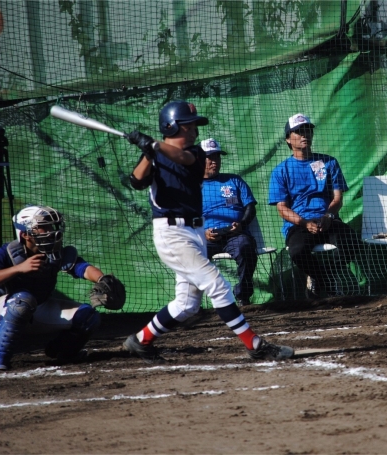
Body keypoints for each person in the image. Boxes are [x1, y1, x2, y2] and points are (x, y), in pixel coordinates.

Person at [125, 100, 293, 363]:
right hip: (172, 234)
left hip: (195, 232)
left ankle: (140, 341)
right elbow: (136, 181)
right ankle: (255, 346)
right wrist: (147, 152)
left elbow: (183, 159)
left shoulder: (196, 154)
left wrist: (154, 145)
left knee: (187, 304)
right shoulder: (156, 155)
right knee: (217, 285)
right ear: (171, 126)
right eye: (188, 125)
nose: (195, 130)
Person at [0, 205, 125, 370]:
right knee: (22, 301)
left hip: (38, 306)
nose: (51, 231)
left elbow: (82, 268)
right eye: (44, 227)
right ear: (26, 234)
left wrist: (102, 279)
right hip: (0, 307)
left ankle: (63, 352)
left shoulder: (55, 253)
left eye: (51, 226)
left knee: (88, 317)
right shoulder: (8, 252)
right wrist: (18, 269)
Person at [268, 113, 362, 298]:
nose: (305, 135)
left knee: (352, 243)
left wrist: (328, 216)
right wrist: (304, 223)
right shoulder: (280, 171)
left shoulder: (329, 162)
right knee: (297, 252)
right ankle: (325, 279)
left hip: (328, 220)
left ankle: (322, 276)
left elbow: (337, 198)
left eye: (308, 130)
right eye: (299, 132)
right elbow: (282, 208)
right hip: (299, 224)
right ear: (288, 139)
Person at [201, 138, 258, 307]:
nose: (215, 161)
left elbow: (250, 208)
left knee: (246, 248)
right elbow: (186, 218)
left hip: (235, 234)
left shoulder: (234, 180)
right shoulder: (191, 187)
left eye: (217, 157)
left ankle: (243, 297)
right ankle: (195, 302)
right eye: (210, 157)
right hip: (206, 237)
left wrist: (242, 224)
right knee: (191, 254)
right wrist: (202, 233)